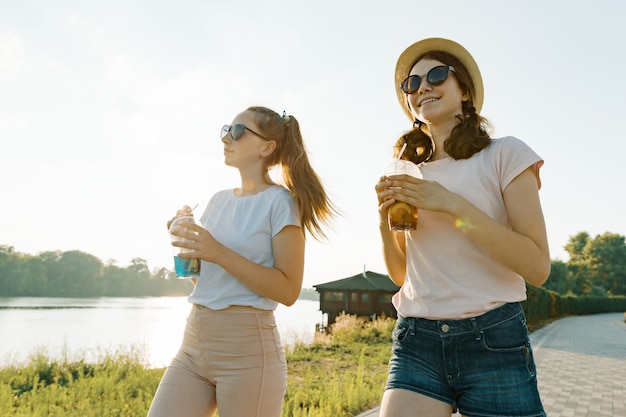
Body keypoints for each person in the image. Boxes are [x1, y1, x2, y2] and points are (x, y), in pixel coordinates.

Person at [375, 38, 551, 417]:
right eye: (412, 83)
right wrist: (383, 222)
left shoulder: (506, 154)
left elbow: (537, 267)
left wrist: (451, 205)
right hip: (416, 340)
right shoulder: (410, 176)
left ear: (465, 91)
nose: (422, 86)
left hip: (493, 338)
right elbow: (401, 275)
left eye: (436, 75)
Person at [147, 106, 337, 417]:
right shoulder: (218, 201)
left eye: (238, 131)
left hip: (247, 353)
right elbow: (209, 280)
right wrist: (188, 243)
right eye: (226, 129)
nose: (226, 137)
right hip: (193, 344)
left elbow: (288, 290)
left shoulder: (281, 202)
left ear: (267, 147)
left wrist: (217, 251)